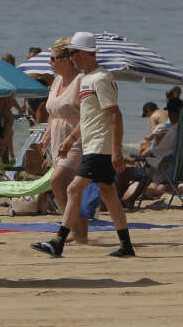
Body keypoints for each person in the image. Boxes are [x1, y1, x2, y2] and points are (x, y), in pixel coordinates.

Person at [32, 32, 135, 258]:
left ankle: (58, 241)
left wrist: (117, 151)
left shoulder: (100, 78)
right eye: (68, 54)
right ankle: (126, 245)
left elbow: (115, 115)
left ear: (85, 53)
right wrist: (71, 139)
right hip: (91, 144)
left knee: (72, 188)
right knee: (108, 193)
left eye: (73, 53)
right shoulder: (88, 79)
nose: (71, 58)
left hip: (100, 145)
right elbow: (88, 118)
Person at [33, 38, 88, 243]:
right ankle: (80, 229)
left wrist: (72, 137)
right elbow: (53, 114)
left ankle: (72, 229)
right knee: (67, 186)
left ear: (66, 59)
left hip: (76, 138)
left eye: (53, 58)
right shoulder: (56, 81)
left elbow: (87, 114)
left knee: (57, 181)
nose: (50, 63)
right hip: (57, 138)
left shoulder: (81, 80)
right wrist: (45, 137)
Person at [118, 97, 180, 208]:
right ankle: (130, 200)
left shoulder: (171, 130)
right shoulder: (179, 131)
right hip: (178, 172)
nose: (169, 114)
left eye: (170, 112)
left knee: (125, 172)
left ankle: (117, 202)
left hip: (164, 173)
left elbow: (156, 150)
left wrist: (142, 157)